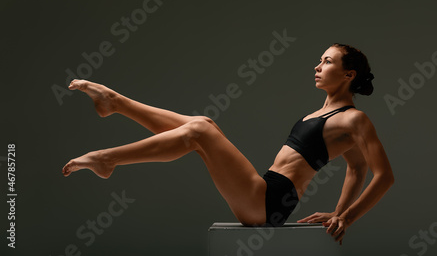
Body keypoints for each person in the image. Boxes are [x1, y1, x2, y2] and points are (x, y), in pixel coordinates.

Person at [62, 43, 394, 245]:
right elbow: (355, 167)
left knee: (199, 133)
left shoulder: (354, 119)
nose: (317, 67)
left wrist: (347, 217)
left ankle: (108, 159)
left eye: (327, 62)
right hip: (265, 191)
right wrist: (338, 211)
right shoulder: (322, 113)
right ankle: (115, 102)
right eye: (320, 61)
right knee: (204, 125)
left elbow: (382, 175)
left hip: (269, 203)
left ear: (348, 75)